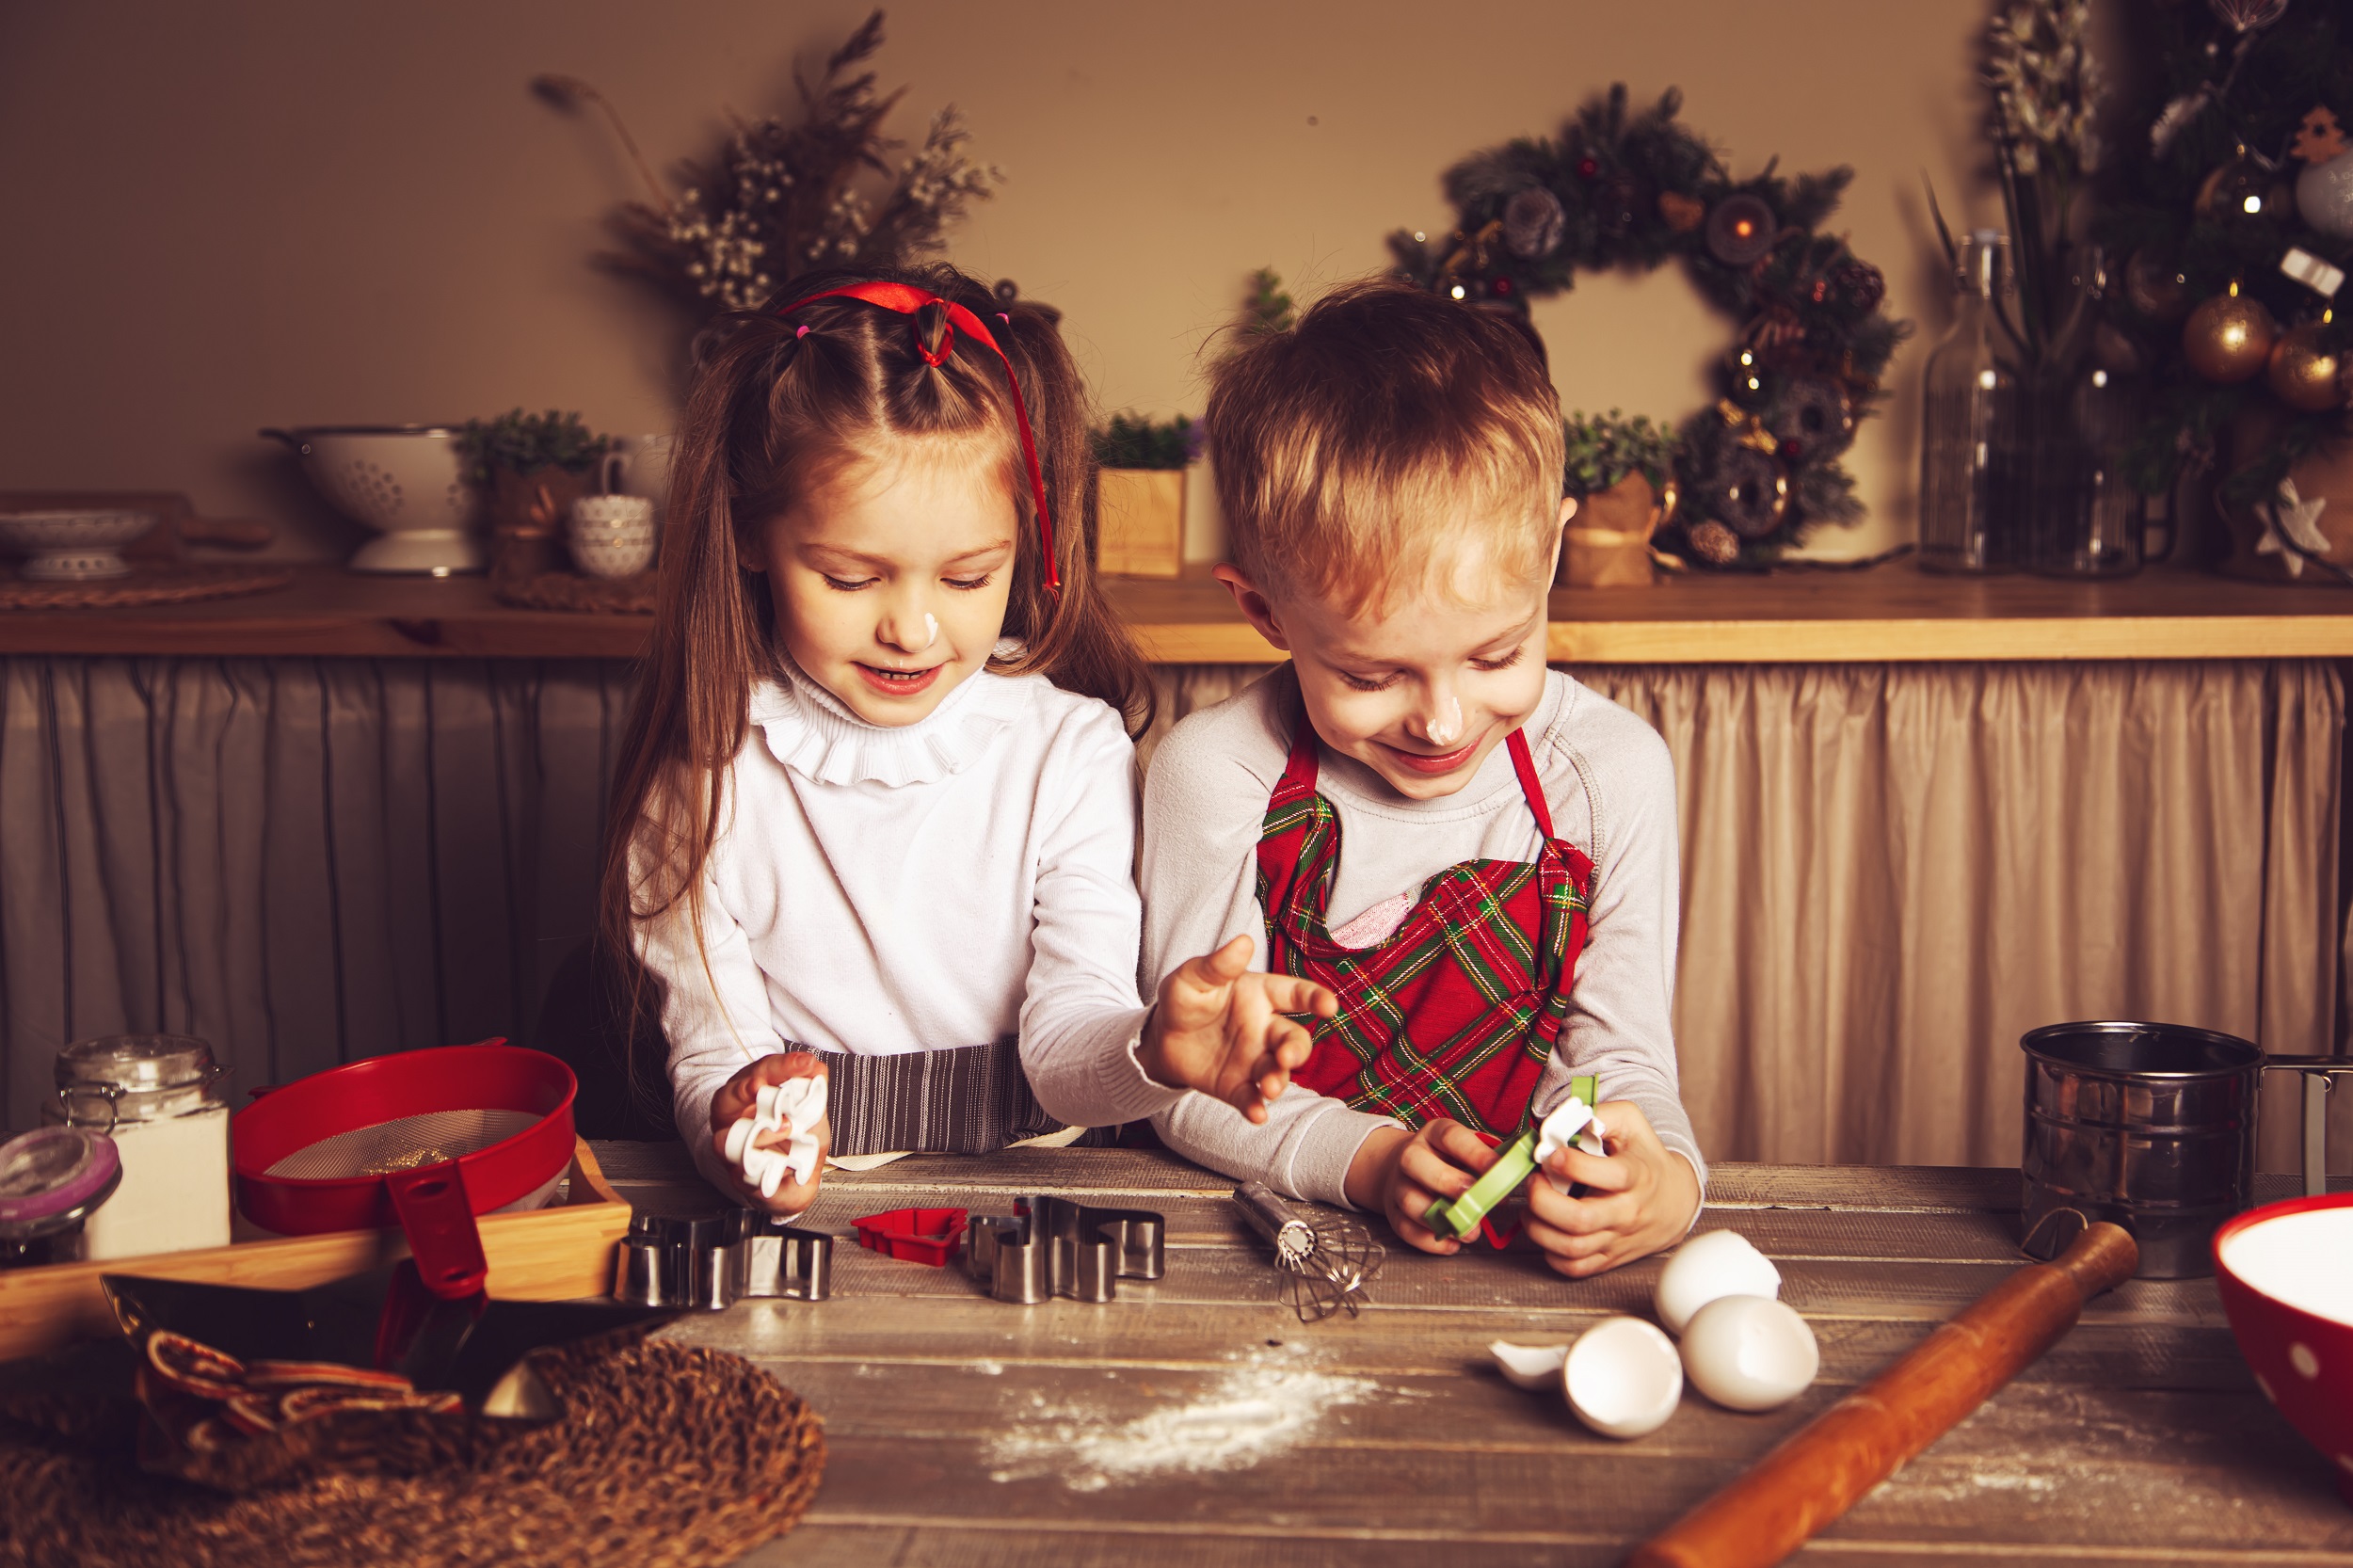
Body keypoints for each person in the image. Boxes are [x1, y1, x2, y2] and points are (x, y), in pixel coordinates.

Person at [600, 264, 1334, 1212]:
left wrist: (1152, 1050)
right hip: (825, 1206)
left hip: (1053, 1192)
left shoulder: (1068, 751)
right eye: (851, 577)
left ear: (1023, 545)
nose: (913, 628)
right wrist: (742, 1144)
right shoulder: (702, 777)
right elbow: (714, 1057)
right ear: (748, 534)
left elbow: (1070, 1049)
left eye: (966, 577)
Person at [1141, 280, 1704, 1276]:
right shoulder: (1215, 773)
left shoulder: (1611, 773)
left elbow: (1620, 1060)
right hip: (1276, 1269)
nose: (1441, 721)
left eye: (1495, 655)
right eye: (1369, 674)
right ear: (1265, 612)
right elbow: (1188, 1085)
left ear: (1551, 553)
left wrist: (1665, 1181)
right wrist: (1366, 1159)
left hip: (1517, 1284)